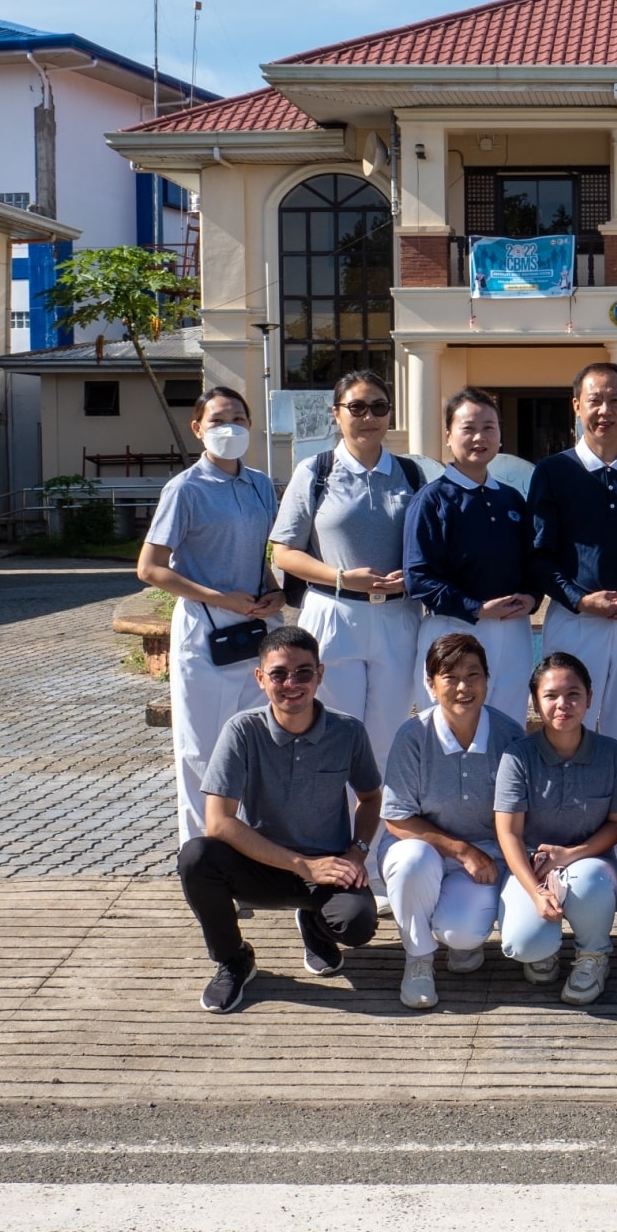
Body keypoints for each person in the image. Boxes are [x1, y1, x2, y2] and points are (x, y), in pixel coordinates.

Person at [269, 369, 427, 881]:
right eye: (356, 407)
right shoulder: (314, 472)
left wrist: (414, 575)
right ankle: (322, 862)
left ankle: (376, 866)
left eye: (378, 407)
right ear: (336, 414)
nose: (368, 417)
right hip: (332, 614)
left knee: (381, 745)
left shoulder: (412, 474)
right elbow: (284, 552)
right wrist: (343, 576)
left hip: (398, 618)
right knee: (329, 743)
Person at [175, 626, 381, 1013]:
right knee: (195, 857)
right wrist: (303, 865)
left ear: (320, 675)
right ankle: (233, 959)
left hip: (327, 867)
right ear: (260, 678)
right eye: (279, 673)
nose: (292, 683)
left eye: (304, 672)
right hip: (261, 866)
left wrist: (358, 852)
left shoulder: (348, 731)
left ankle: (316, 927)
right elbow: (218, 822)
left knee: (358, 925)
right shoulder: (242, 731)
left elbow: (370, 798)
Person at [139, 386, 283, 844]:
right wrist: (220, 598)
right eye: (219, 420)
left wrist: (275, 591)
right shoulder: (184, 489)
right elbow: (150, 568)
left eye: (239, 419)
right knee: (203, 749)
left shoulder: (260, 484)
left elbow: (258, 553)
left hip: (259, 628)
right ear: (198, 429)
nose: (231, 428)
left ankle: (255, 855)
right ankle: (204, 862)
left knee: (261, 743)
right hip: (207, 630)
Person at [527, 363, 617, 762]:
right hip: (575, 620)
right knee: (569, 721)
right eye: (595, 400)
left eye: (615, 400)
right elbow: (539, 555)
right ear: (577, 406)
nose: (604, 410)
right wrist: (579, 599)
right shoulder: (553, 472)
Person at [377, 632, 526, 1010]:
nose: (464, 687)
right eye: (450, 677)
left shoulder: (509, 735)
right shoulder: (413, 736)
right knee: (411, 860)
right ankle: (418, 959)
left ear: (487, 680)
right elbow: (397, 819)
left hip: (486, 858)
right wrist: (461, 849)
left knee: (461, 933)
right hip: (424, 850)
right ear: (430, 684)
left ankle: (461, 942)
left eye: (473, 675)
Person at [493, 651, 617, 1004]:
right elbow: (508, 833)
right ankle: (546, 947)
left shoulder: (611, 753)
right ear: (536, 703)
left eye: (573, 694)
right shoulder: (517, 756)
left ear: (589, 697)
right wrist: (536, 889)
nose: (562, 704)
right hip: (532, 866)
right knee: (523, 944)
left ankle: (593, 954)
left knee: (588, 881)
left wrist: (571, 855)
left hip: (593, 864)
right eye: (550, 695)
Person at [405, 387, 539, 727]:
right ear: (448, 436)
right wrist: (475, 608)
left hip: (513, 631)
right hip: (453, 629)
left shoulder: (511, 500)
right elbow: (418, 577)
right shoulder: (432, 500)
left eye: (489, 427)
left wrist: (532, 597)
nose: (479, 437)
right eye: (468, 428)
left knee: (508, 726)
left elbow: (532, 562)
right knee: (449, 728)